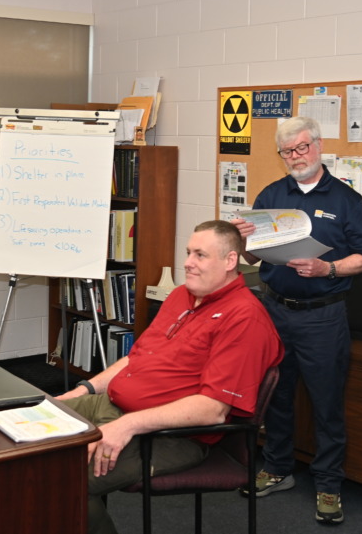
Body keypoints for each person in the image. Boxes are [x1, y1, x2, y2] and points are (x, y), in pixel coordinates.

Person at [57, 220, 283, 534]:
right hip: (113, 405)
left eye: (200, 255)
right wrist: (83, 389)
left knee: (64, 481)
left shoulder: (244, 318)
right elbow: (134, 359)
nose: (188, 262)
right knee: (26, 429)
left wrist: (125, 425)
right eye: (189, 252)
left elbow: (212, 408)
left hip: (170, 436)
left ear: (231, 261)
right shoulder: (181, 296)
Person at [232, 115, 362, 526]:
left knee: (327, 402)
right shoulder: (272, 194)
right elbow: (253, 259)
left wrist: (327, 269)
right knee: (276, 395)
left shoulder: (345, 199)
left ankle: (329, 485)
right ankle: (276, 468)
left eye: (301, 148)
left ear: (318, 145)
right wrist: (245, 241)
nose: (296, 157)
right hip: (275, 310)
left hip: (322, 316)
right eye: (287, 151)